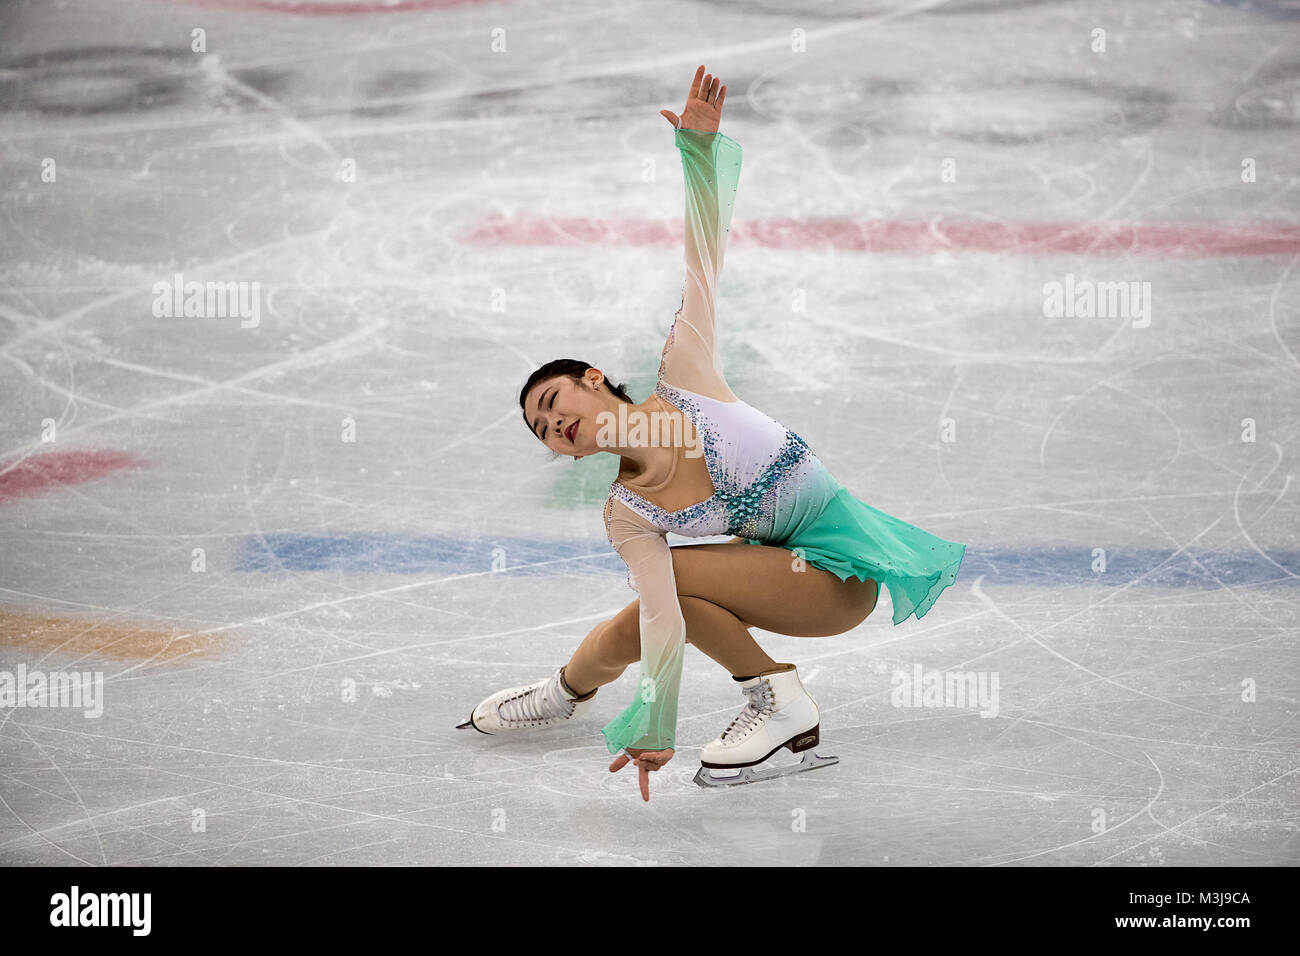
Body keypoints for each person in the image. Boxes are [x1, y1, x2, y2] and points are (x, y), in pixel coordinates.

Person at [458, 65, 966, 801]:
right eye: (543, 428)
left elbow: (704, 258)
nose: (553, 421)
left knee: (673, 582)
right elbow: (666, 620)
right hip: (783, 575)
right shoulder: (626, 512)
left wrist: (699, 152)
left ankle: (776, 699)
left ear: (594, 379)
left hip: (839, 575)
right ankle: (566, 693)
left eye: (553, 398)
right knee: (653, 606)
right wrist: (654, 727)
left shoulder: (684, 373)